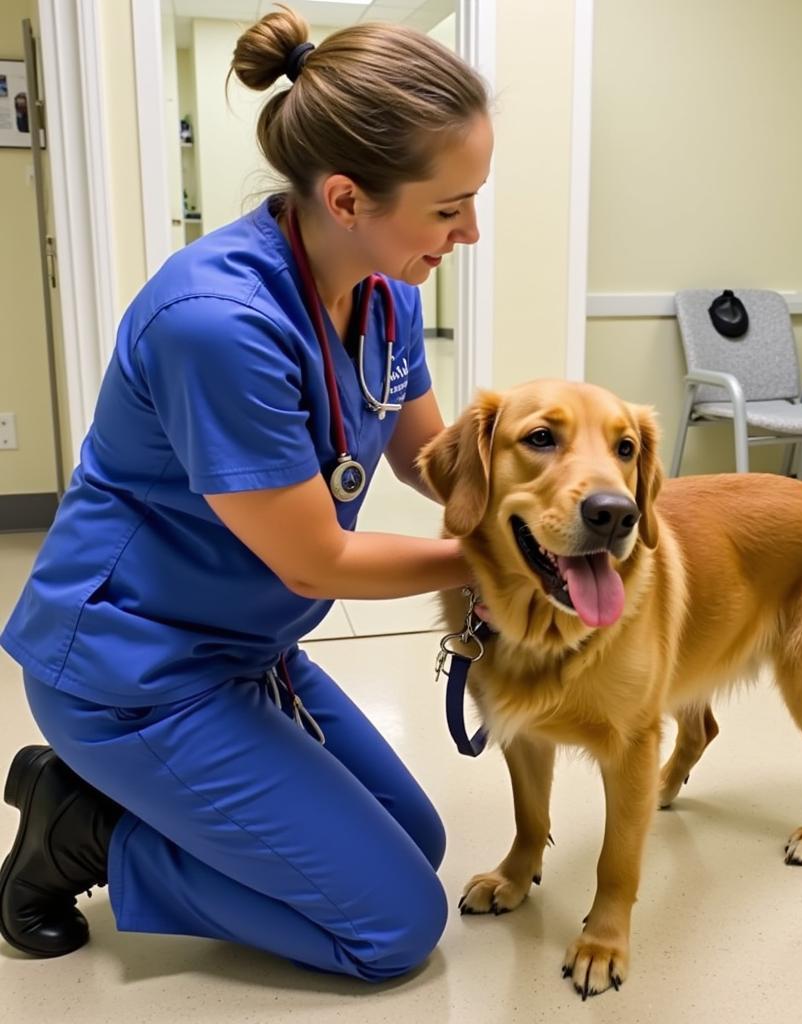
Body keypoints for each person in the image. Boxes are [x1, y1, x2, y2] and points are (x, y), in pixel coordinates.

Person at [0, 7, 492, 982]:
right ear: (347, 196)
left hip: (243, 646)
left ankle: (128, 805)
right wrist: (511, 564)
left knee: (416, 841)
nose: (470, 233)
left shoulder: (386, 288)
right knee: (392, 927)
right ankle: (89, 830)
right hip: (132, 668)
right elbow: (318, 559)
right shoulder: (218, 322)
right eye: (447, 209)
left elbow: (429, 459)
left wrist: (558, 499)